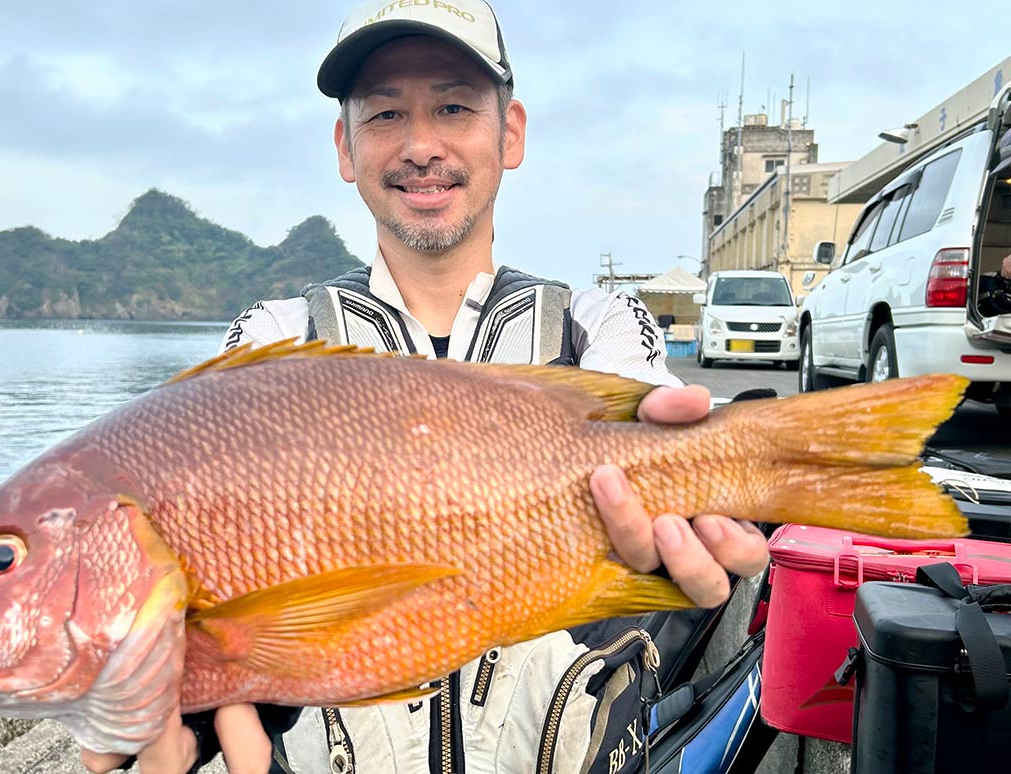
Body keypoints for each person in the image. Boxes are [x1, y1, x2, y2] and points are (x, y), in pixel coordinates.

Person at [81, 2, 768, 772]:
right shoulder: (275, 343)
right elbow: (205, 550)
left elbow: (650, 425)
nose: (420, 145)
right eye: (384, 114)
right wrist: (188, 692)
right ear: (346, 146)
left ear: (509, 134)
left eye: (453, 106)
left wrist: (708, 481)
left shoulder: (596, 325)